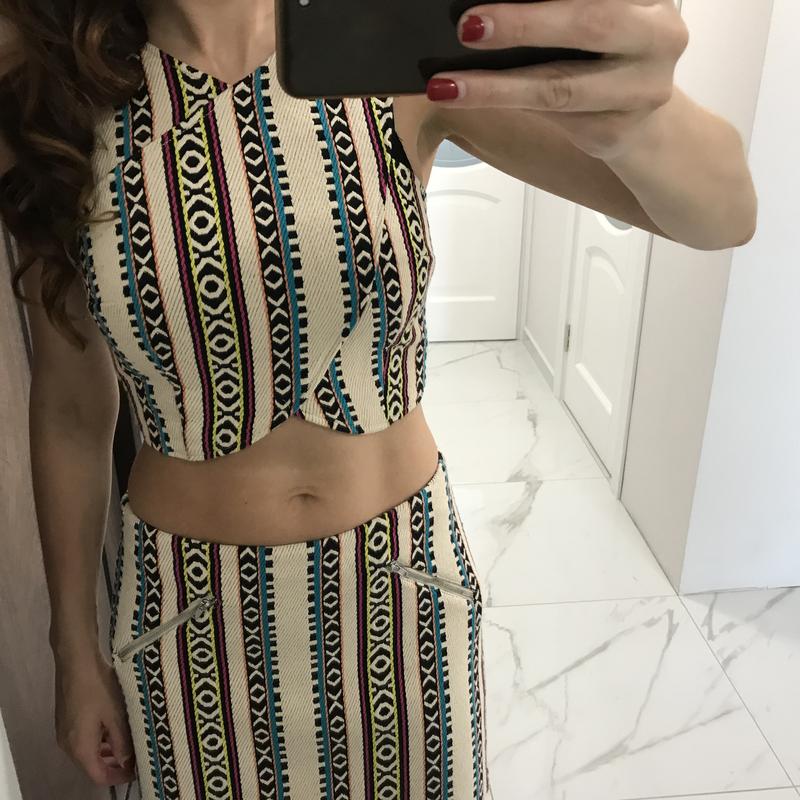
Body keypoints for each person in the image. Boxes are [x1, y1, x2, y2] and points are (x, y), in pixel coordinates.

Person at [0, 0, 756, 798]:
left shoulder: (386, 44)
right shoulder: (57, 90)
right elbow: (71, 411)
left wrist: (642, 115)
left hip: (400, 596)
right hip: (191, 622)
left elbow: (724, 215)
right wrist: (72, 650)